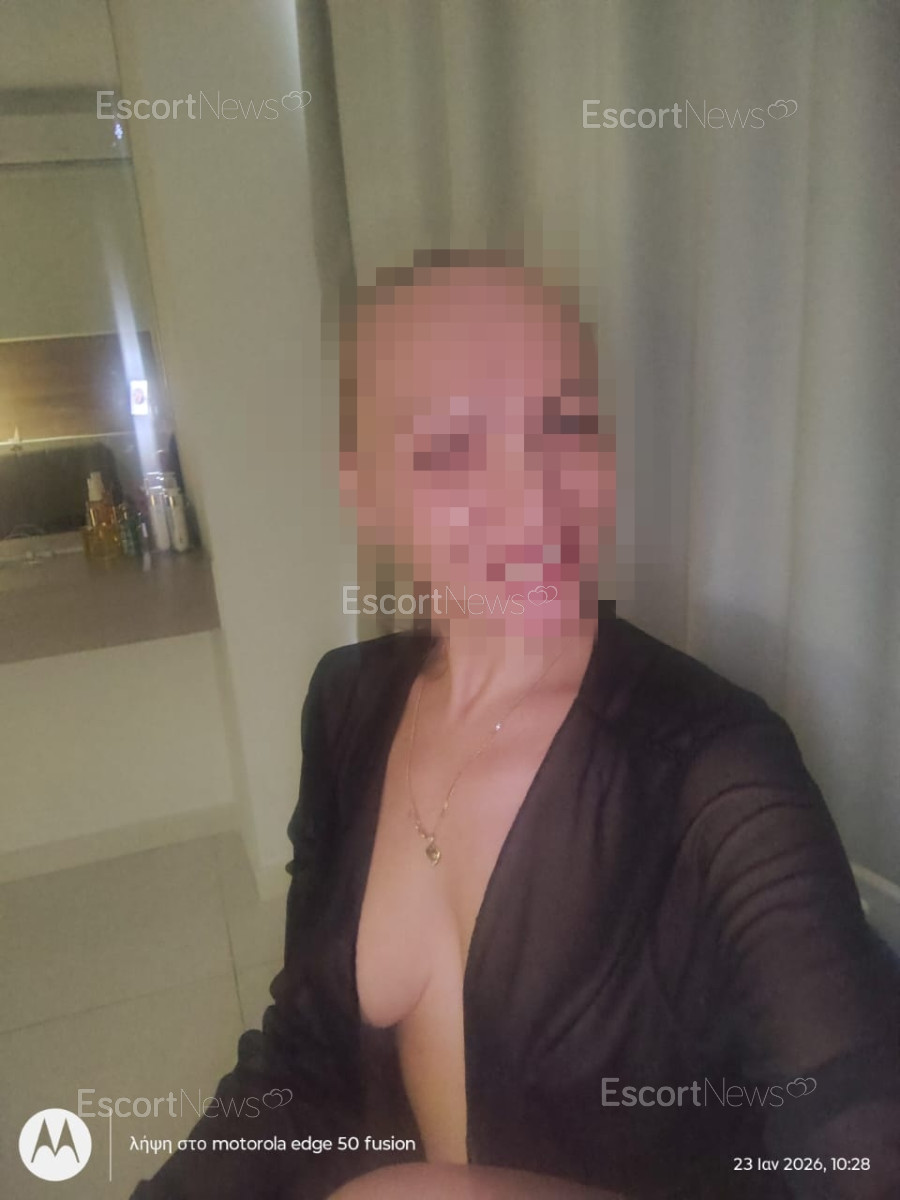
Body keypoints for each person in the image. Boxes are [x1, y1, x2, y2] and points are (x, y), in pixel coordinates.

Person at [132, 251, 900, 1200]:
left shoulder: (717, 770)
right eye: (453, 447)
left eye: (563, 426)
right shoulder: (345, 707)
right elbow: (303, 1050)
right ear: (365, 489)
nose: (532, 495)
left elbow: (855, 1148)